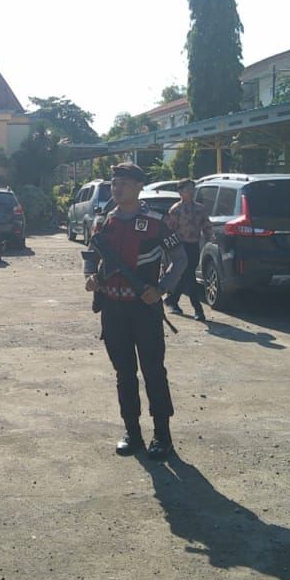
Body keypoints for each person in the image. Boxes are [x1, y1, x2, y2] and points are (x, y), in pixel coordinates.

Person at [83, 163, 187, 459]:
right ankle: (133, 432)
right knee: (124, 373)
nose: (117, 189)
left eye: (124, 183)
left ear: (139, 187)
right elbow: (90, 255)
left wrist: (162, 289)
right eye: (115, 183)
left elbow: (179, 259)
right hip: (113, 308)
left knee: (153, 371)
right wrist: (90, 276)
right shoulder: (104, 221)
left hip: (144, 308)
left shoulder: (156, 222)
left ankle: (162, 436)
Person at [164, 179, 212, 320]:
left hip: (194, 245)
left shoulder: (200, 209)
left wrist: (209, 238)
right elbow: (169, 230)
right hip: (180, 246)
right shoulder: (175, 210)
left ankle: (172, 299)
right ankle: (198, 309)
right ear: (180, 192)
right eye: (187, 189)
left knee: (185, 274)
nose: (191, 192)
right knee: (190, 276)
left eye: (192, 189)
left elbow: (206, 225)